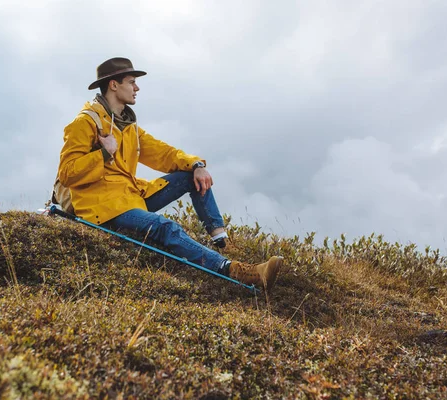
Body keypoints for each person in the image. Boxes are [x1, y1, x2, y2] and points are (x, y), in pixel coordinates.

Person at [55, 57, 282, 293]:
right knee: (165, 228)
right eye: (132, 82)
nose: (137, 88)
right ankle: (235, 269)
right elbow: (67, 173)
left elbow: (163, 153)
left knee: (189, 175)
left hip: (129, 197)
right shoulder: (84, 123)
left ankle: (222, 239)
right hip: (103, 208)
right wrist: (104, 153)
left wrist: (195, 164)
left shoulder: (128, 125)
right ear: (113, 85)